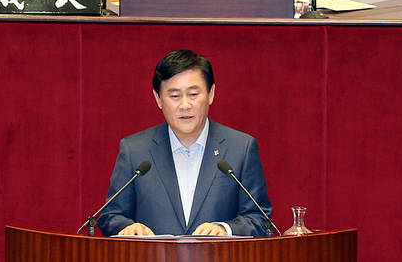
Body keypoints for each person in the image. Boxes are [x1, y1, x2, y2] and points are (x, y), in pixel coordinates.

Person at [97, 49, 272, 236]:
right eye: (175, 96)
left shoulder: (241, 148)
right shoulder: (134, 150)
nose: (185, 105)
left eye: (193, 94)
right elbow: (110, 215)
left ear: (211, 93)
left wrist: (225, 229)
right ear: (158, 99)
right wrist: (127, 227)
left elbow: (260, 219)